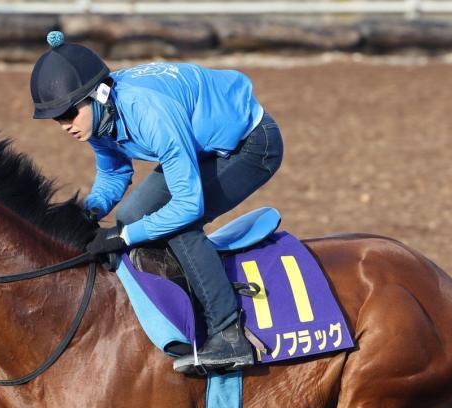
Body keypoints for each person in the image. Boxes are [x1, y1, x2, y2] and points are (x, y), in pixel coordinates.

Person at [30, 31, 284, 374]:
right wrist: (90, 211)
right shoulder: (100, 113)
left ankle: (228, 334)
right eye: (57, 119)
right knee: (132, 213)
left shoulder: (148, 113)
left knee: (178, 225)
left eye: (69, 114)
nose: (64, 125)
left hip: (251, 146)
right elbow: (115, 172)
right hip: (201, 145)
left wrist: (124, 238)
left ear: (99, 95)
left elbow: (187, 207)